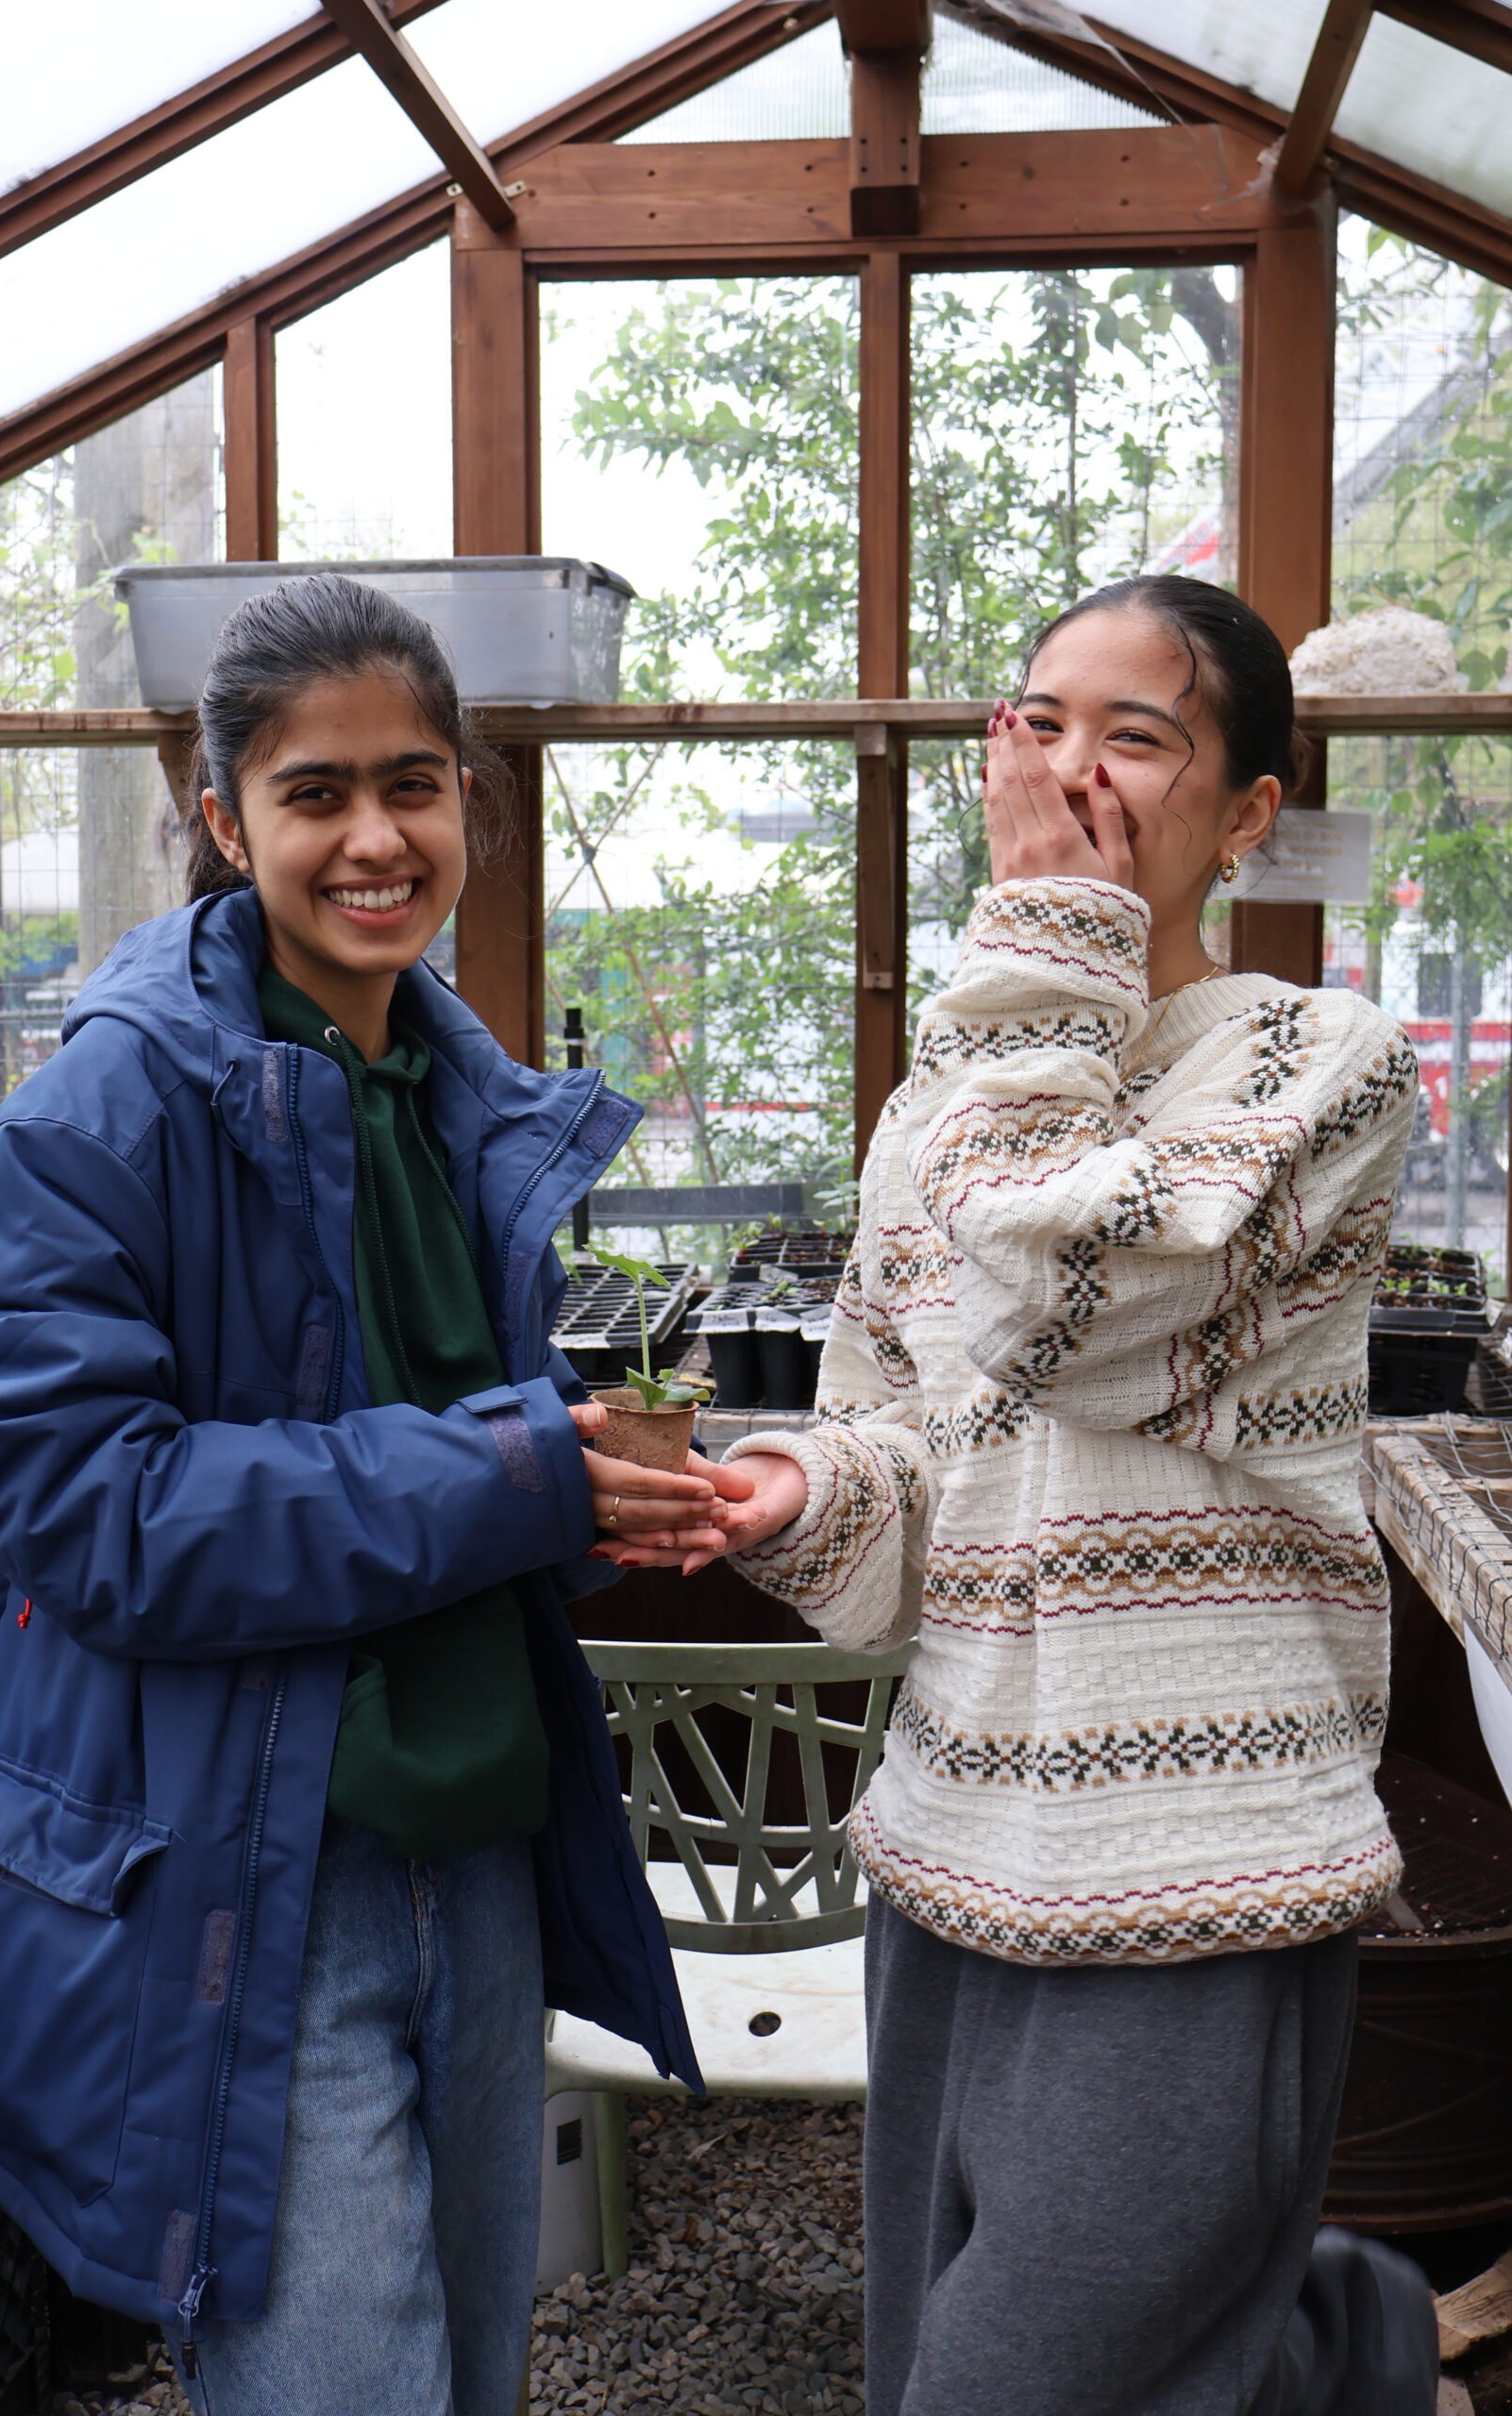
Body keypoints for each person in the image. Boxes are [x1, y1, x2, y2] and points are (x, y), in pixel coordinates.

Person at [0, 574, 751, 2416]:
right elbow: (87, 1504)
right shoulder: (109, 1111)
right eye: (313, 793)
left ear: (469, 803)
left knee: (463, 2369)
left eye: (417, 783)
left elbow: (433, 1456)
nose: (375, 837)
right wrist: (517, 1466)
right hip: (246, 1868)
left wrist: (588, 1491)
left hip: (477, 1836)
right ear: (222, 819)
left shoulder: (447, 1090)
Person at [605, 577, 1441, 2414]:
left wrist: (1047, 933)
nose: (1069, 770)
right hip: (950, 1840)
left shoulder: (1309, 1065)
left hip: (1201, 1860)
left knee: (1010, 2379)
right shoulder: (948, 1104)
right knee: (938, 2347)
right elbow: (917, 1438)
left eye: (1134, 736)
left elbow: (1066, 1303)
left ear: (1242, 814)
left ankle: (1335, 2349)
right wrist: (780, 1486)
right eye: (1037, 722)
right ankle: (1317, 2353)